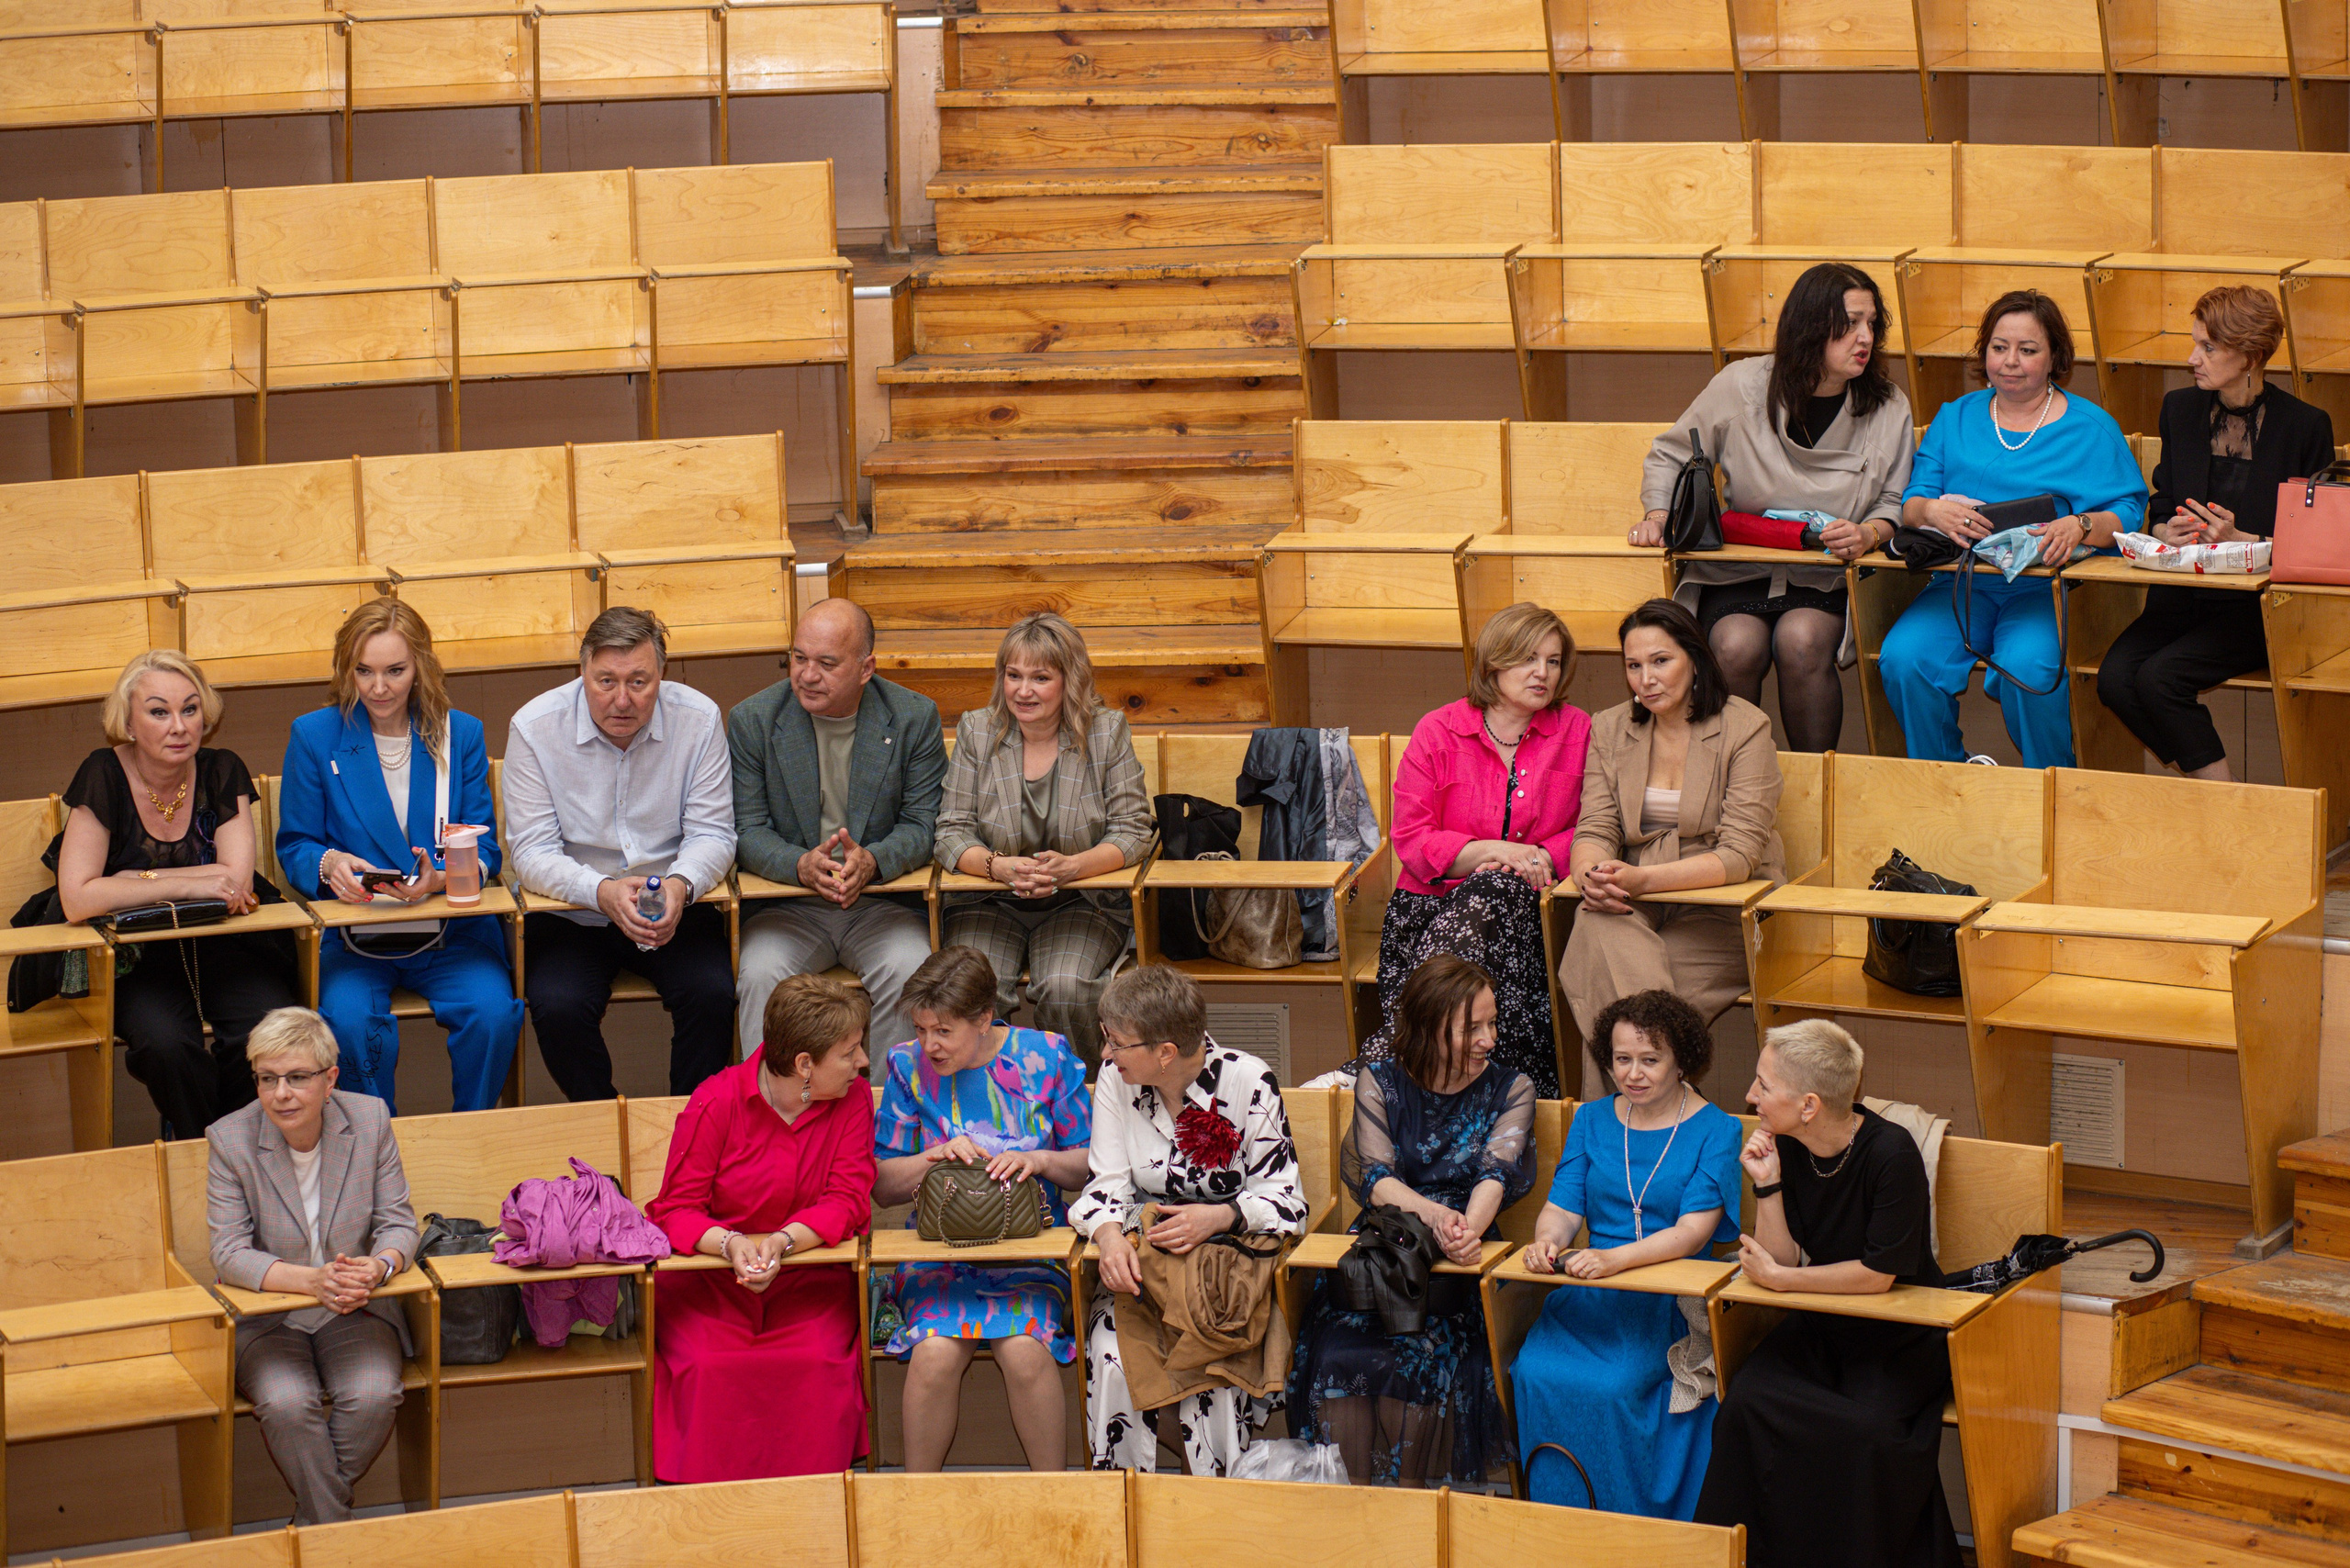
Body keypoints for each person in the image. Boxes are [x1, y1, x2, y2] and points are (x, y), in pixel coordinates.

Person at [1695, 1020, 1957, 1568]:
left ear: (1809, 1104)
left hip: (1902, 1330)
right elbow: (1781, 1258)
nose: (1750, 1096)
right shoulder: (1787, 1146)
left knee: (1867, 1433)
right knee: (1745, 1403)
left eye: (1764, 1086)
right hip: (1824, 1318)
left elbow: (1877, 1275)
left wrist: (1784, 1282)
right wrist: (1766, 1186)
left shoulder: (1893, 1154)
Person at [1633, 263, 1916, 753]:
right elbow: (1672, 453)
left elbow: (1895, 500)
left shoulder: (1888, 405)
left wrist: (1870, 533)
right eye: (1850, 323)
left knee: (1801, 639)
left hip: (1827, 572)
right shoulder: (1742, 384)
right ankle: (1731, 785)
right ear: (1810, 326)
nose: (1865, 337)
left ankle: (1817, 783)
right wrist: (1659, 514)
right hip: (1741, 565)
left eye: (1872, 324)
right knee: (1733, 645)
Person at [1289, 955, 1533, 1487]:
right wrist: (1436, 1214)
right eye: (1472, 1027)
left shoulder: (1512, 1088)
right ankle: (1350, 1520)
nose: (1488, 1039)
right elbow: (1376, 1180)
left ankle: (1409, 1515)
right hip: (1387, 1248)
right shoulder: (1379, 1081)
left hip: (1456, 1264)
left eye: (1493, 1024)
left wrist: (1465, 1227)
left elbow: (1497, 1171)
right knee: (1339, 1354)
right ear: (1428, 1026)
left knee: (1422, 1361)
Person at [1881, 289, 2147, 768]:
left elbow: (2130, 512)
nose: (2011, 362)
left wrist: (2082, 524)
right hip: (1962, 583)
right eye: (1999, 347)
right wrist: (1931, 512)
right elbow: (1912, 502)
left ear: (2054, 358)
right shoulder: (1955, 416)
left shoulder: (2092, 427)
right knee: (1904, 659)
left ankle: (2050, 790)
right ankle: (1947, 780)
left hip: (2044, 588)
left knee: (2030, 668)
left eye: (2028, 350)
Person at [276, 600, 524, 1114]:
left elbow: (486, 850)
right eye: (363, 672)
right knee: (345, 1023)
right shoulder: (314, 735)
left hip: (451, 934)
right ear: (346, 670)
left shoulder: (462, 734)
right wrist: (329, 865)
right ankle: (373, 1146)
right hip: (356, 935)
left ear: (421, 668)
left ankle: (473, 1132)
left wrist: (446, 878)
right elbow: (296, 843)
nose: (379, 688)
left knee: (494, 1014)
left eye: (395, 671)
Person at [1509, 990, 1742, 1518]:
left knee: (1614, 1387)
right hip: (1591, 1293)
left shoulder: (1718, 1130)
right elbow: (1563, 1207)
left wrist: (1616, 1260)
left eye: (1649, 1060)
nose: (1633, 1073)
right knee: (1531, 1371)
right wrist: (1549, 1240)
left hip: (1667, 1299)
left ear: (1681, 1059)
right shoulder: (1591, 1120)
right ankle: (1557, 1523)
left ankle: (1628, 1524)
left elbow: (1691, 1233)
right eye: (1621, 1059)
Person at [1073, 964, 1308, 1474]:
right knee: (1112, 1359)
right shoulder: (1116, 1083)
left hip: (1222, 1279)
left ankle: (1213, 1522)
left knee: (1214, 1383)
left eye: (1116, 1041)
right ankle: (1128, 1519)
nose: (1105, 1054)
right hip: (1143, 1268)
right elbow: (1106, 1184)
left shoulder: (1249, 1081)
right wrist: (1110, 1238)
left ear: (1165, 1053)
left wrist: (1221, 1216)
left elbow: (1288, 1201)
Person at [53, 651, 300, 1135]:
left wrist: (127, 882)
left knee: (267, 1029)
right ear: (128, 721)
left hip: (225, 940)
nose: (179, 726)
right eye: (158, 711)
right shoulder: (102, 773)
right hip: (136, 955)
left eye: (190, 709)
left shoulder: (221, 769)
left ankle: (230, 1142)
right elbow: (77, 898)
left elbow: (234, 885)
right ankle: (202, 1142)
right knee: (166, 1045)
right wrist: (187, 880)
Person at [2098, 286, 2334, 780]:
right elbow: (2160, 503)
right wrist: (2169, 529)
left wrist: (2242, 538)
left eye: (2208, 348)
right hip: (2181, 595)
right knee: (2116, 680)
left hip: (2256, 609)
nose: (2192, 359)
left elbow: (2316, 543)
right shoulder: (2181, 409)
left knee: (2161, 679)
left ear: (2249, 355)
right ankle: (2209, 789)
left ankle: (2221, 798)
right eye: (2194, 344)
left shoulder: (2306, 426)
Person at [646, 973, 875, 1482]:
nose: (862, 1063)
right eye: (850, 1052)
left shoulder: (854, 1101)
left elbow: (848, 1200)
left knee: (816, 1362)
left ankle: (815, 1518)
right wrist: (731, 1246)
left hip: (810, 1274)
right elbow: (676, 1210)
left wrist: (781, 1242)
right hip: (713, 1281)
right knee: (707, 1365)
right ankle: (712, 1522)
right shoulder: (717, 1101)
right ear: (804, 1066)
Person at [504, 608, 738, 1101]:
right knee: (558, 1004)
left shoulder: (698, 719)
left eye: (639, 681)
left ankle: (691, 1127)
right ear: (582, 671)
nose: (622, 700)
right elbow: (531, 851)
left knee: (712, 993)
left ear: (662, 676)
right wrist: (602, 892)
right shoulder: (534, 726)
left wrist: (680, 885)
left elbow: (714, 834)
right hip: (573, 909)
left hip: (673, 900)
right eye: (605, 681)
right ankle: (605, 1125)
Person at [872, 946, 1091, 1472]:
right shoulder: (906, 1066)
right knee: (932, 1356)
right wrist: (930, 1158)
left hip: (1032, 1254)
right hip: (939, 1256)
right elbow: (881, 1185)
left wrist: (1039, 1160)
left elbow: (1090, 1166)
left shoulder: (1047, 1057)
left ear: (985, 1018)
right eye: (922, 1029)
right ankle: (916, 1505)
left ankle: (1053, 1499)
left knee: (1024, 1351)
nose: (929, 1044)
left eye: (943, 1031)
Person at [205, 1007, 418, 1525]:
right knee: (285, 1403)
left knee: (374, 1394)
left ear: (330, 1080)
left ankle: (312, 1525)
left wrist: (380, 1267)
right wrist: (312, 1281)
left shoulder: (369, 1121)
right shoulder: (230, 1140)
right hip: (269, 1317)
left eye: (297, 1078)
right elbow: (229, 1253)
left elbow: (399, 1225)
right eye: (267, 1079)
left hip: (355, 1309)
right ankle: (330, 1534)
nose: (281, 1094)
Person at [1559, 599, 1782, 1092]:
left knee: (1613, 1006)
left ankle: (1617, 1140)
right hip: (1635, 902)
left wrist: (1643, 880)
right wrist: (1590, 875)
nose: (1645, 680)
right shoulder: (1610, 727)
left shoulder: (1745, 727)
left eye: (1661, 661)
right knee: (1595, 921)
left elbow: (1739, 854)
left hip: (1720, 909)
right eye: (1633, 666)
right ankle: (1670, 1118)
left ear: (1695, 659)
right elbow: (1595, 826)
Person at [1369, 602, 1589, 1098]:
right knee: (1492, 880)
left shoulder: (1578, 730)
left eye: (1554, 661)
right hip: (1428, 913)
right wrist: (1500, 851)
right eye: (1528, 659)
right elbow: (1412, 838)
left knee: (1496, 885)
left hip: (1532, 913)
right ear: (1494, 662)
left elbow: (1593, 823)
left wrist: (1536, 859)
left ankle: (1387, 1058)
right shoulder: (1438, 730)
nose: (1543, 673)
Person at [934, 611, 1153, 1069]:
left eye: (1040, 677)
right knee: (973, 994)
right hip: (989, 901)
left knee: (1066, 988)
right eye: (1013, 675)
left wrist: (1074, 867)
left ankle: (1083, 1104)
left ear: (1069, 679)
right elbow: (951, 832)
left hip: (1082, 902)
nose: (1023, 690)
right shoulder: (978, 730)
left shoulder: (1106, 732)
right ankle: (993, 1106)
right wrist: (999, 867)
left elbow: (1133, 829)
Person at [730, 597, 945, 1061]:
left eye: (827, 663)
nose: (807, 675)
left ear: (866, 668)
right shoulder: (754, 720)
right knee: (760, 974)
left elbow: (924, 823)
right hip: (787, 907)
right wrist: (800, 864)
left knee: (912, 970)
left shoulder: (913, 717)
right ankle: (771, 1119)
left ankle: (890, 1118)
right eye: (799, 658)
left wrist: (874, 861)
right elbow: (747, 830)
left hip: (881, 906)